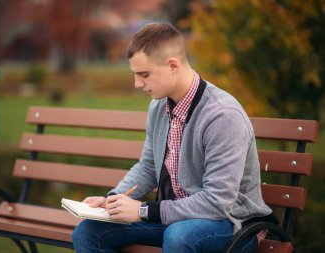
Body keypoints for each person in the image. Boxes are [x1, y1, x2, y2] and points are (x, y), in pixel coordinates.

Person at [72, 22, 273, 253]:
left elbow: (218, 202)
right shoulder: (158, 107)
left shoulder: (222, 115)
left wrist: (143, 211)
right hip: (174, 220)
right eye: (135, 75)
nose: (138, 84)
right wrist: (112, 200)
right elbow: (148, 167)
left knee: (179, 236)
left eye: (144, 75)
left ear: (172, 65)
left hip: (230, 224)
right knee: (88, 231)